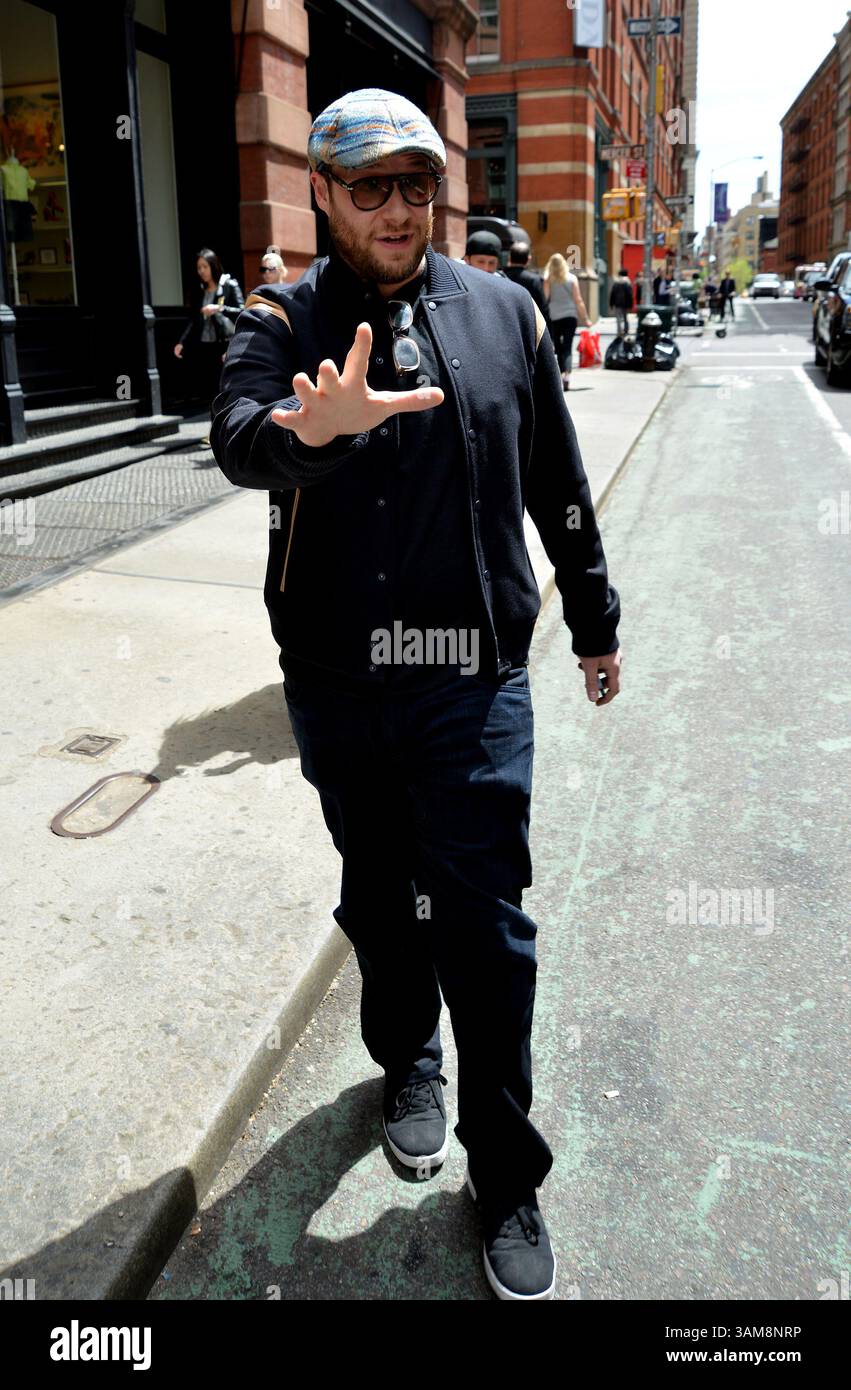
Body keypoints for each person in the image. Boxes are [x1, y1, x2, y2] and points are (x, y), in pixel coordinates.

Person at [210, 86, 621, 1302]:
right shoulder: (285, 318)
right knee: (385, 907)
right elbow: (236, 431)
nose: (397, 208)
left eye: (416, 184)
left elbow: (554, 476)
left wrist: (592, 615)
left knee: (483, 925)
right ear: (325, 195)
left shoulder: (503, 312)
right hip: (343, 682)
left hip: (472, 679)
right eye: (370, 186)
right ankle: (408, 1064)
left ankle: (506, 1174)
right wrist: (313, 435)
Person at [174, 248, 245, 444]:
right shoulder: (200, 290)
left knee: (225, 389)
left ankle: (229, 429)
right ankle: (216, 431)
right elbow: (194, 320)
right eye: (199, 268)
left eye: (204, 266)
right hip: (205, 346)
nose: (201, 271)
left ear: (213, 266)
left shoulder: (229, 285)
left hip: (225, 345)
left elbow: (242, 311)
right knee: (210, 391)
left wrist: (219, 308)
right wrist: (182, 342)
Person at [542, 252, 592, 389]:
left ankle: (561, 372)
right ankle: (567, 375)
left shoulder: (548, 279)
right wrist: (586, 319)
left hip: (554, 316)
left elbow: (545, 299)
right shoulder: (572, 278)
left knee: (558, 347)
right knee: (568, 347)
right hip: (570, 316)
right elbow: (578, 300)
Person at [503, 240, 549, 324]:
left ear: (509, 258)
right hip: (528, 325)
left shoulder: (500, 276)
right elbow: (543, 309)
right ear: (529, 259)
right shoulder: (535, 280)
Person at [609, 267, 633, 337]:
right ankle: (626, 330)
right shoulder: (628, 282)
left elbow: (612, 294)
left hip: (617, 303)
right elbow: (630, 295)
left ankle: (619, 332)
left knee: (618, 318)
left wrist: (611, 304)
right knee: (625, 317)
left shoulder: (616, 282)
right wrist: (630, 305)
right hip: (626, 304)